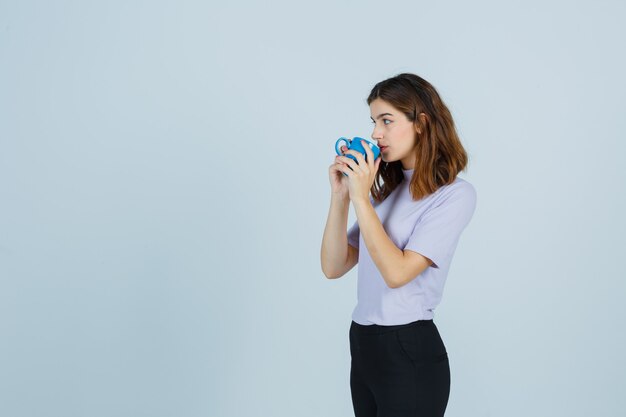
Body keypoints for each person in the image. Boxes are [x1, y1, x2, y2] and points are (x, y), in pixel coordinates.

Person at [320, 73, 477, 417]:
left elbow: (397, 272)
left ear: (421, 123)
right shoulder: (387, 192)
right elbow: (334, 266)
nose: (376, 133)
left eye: (387, 121)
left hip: (407, 349)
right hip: (363, 343)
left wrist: (362, 198)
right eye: (374, 121)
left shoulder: (454, 196)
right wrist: (342, 197)